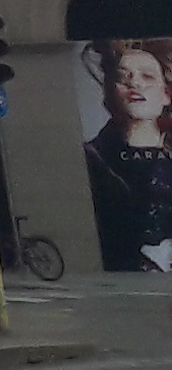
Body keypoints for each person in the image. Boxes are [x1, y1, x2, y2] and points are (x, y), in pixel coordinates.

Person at [88, 37, 172, 274]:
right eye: (123, 77)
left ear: (166, 94)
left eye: (147, 77)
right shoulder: (94, 158)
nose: (135, 83)